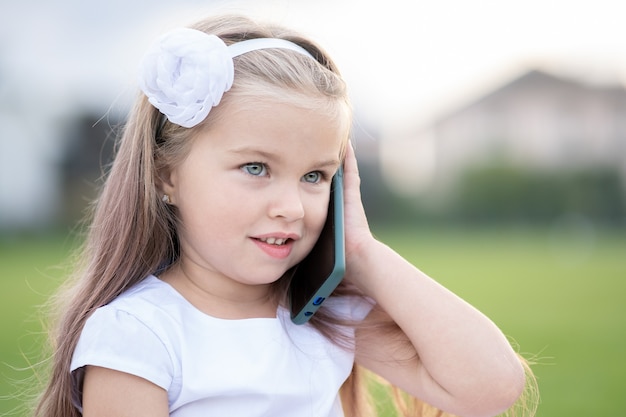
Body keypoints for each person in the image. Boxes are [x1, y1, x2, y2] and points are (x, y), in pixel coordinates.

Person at [34, 14, 537, 417]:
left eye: (315, 176)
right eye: (255, 168)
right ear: (167, 176)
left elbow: (491, 386)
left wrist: (360, 249)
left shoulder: (320, 313)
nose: (292, 208)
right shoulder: (139, 335)